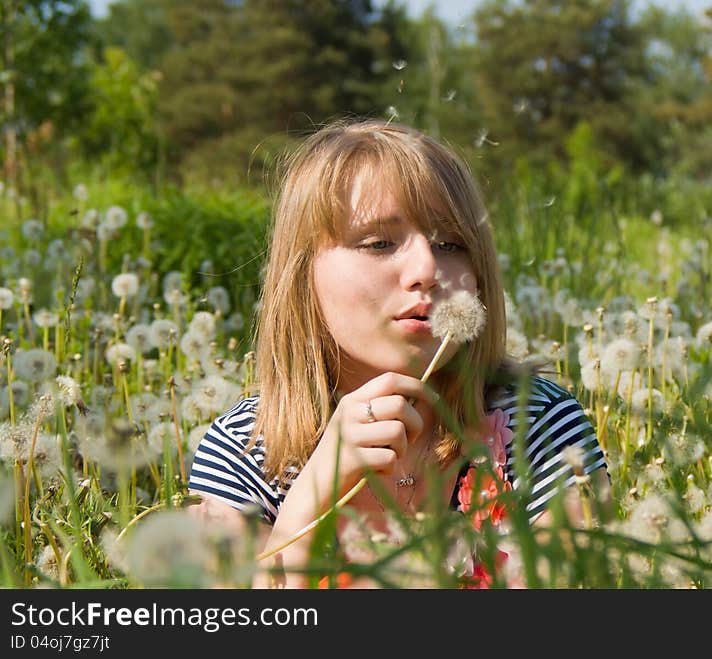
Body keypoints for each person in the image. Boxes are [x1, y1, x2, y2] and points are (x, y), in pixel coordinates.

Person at [187, 118, 610, 588]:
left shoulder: (538, 424)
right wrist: (312, 495)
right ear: (301, 272)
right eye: (379, 243)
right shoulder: (243, 451)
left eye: (450, 243)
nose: (427, 268)